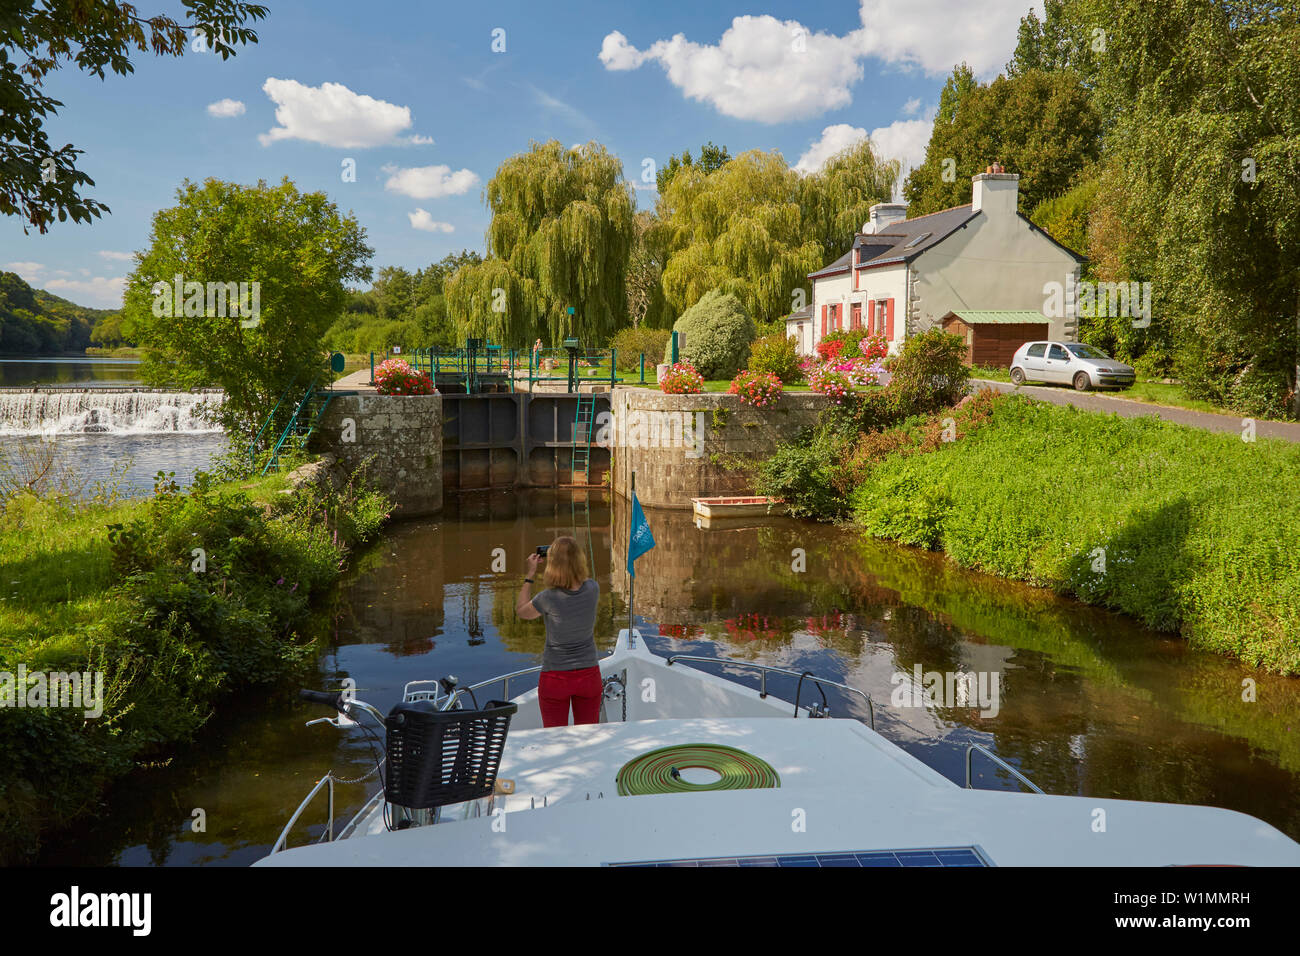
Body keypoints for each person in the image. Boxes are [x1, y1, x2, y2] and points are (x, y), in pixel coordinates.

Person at [515, 536, 601, 727]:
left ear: (552, 564)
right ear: (580, 560)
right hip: (589, 676)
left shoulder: (548, 598)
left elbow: (521, 611)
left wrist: (530, 573)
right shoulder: (593, 588)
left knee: (554, 738)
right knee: (589, 736)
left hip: (556, 677)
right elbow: (580, 578)